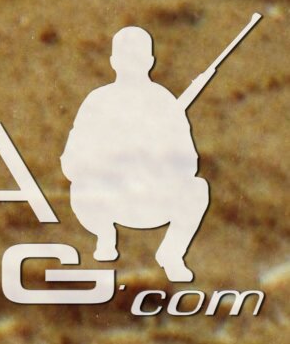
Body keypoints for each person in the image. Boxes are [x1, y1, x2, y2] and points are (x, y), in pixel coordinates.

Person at [62, 25, 213, 285]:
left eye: (137, 57)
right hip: (107, 200)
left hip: (153, 200)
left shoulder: (165, 103)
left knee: (197, 189)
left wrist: (156, 156)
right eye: (126, 57)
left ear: (150, 61)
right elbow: (71, 161)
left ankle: (172, 253)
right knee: (81, 187)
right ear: (114, 61)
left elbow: (189, 163)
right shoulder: (98, 101)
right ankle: (105, 236)